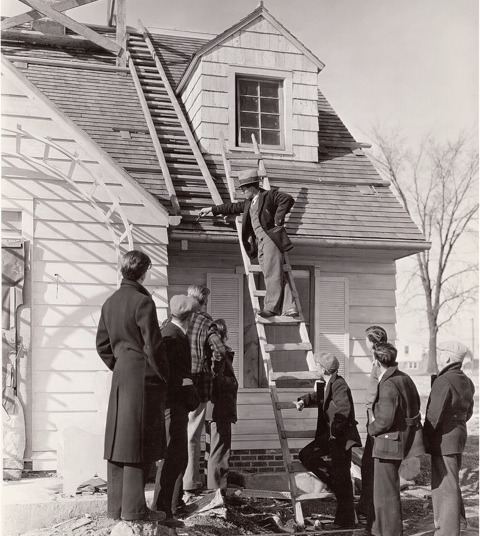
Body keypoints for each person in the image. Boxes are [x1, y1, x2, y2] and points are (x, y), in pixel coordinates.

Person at [96, 250, 168, 522]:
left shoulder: (110, 302)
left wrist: (121, 365)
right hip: (142, 378)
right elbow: (153, 346)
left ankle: (115, 510)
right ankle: (136, 510)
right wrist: (162, 375)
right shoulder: (143, 302)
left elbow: (102, 346)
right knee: (139, 441)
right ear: (144, 272)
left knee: (118, 441)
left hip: (121, 377)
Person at [198, 168, 297, 318]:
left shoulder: (269, 195)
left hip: (271, 240)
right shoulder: (248, 203)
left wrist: (278, 219)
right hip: (261, 242)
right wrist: (211, 210)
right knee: (275, 274)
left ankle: (271, 308)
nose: (242, 192)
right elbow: (231, 207)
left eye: (243, 190)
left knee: (271, 275)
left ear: (251, 188)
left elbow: (287, 199)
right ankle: (290, 307)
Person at [295, 352, 361, 529]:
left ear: (323, 369)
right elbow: (318, 397)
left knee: (344, 479)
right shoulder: (326, 384)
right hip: (331, 437)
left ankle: (344, 522)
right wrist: (303, 400)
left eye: (317, 365)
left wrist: (334, 432)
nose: (315, 367)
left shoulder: (339, 385)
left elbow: (344, 410)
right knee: (306, 455)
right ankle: (333, 481)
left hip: (340, 438)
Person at [367, 342, 424, 536]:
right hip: (399, 441)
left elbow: (384, 420)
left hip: (387, 444)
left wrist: (370, 429)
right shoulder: (404, 377)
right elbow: (416, 406)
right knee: (387, 491)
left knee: (385, 494)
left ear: (376, 361)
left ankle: (389, 532)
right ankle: (381, 530)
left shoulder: (388, 384)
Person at [154, 295, 200, 528]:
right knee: (172, 458)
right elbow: (166, 375)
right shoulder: (172, 337)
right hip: (173, 405)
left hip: (175, 404)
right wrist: (187, 385)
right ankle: (162, 511)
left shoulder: (170, 332)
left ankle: (169, 507)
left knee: (177, 457)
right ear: (190, 317)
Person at [424, 341, 475, 536]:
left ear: (446, 358)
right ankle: (457, 524)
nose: (437, 357)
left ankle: (448, 531)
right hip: (458, 435)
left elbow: (433, 415)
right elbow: (468, 412)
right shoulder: (467, 381)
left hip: (443, 438)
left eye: (439, 354)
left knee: (445, 485)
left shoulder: (443, 380)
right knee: (451, 481)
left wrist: (424, 438)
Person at [183, 285, 227, 498]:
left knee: (178, 432)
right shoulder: (204, 321)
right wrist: (214, 370)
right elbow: (220, 351)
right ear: (203, 301)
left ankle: (178, 480)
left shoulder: (173, 319)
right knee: (193, 434)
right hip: (198, 385)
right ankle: (190, 481)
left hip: (176, 385)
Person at [356, 325, 388, 525]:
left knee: (370, 465)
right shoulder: (376, 361)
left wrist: (373, 419)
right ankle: (366, 507)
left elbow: (376, 394)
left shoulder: (379, 364)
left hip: (375, 421)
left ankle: (369, 510)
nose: (365, 343)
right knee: (368, 464)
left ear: (373, 342)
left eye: (366, 340)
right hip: (372, 419)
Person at [205, 319, 239, 491]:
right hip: (220, 408)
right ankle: (217, 492)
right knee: (220, 452)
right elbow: (217, 381)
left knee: (214, 451)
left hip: (215, 409)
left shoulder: (215, 354)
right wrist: (232, 383)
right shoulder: (218, 355)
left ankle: (215, 489)